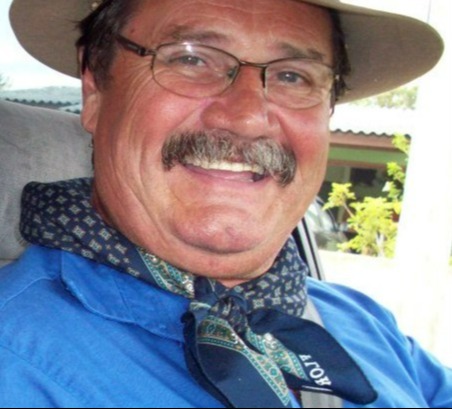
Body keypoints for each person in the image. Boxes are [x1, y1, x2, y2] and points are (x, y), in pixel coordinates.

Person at [1, 0, 450, 407]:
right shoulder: (16, 363)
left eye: (293, 75)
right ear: (95, 88)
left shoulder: (363, 325)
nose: (248, 117)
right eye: (191, 58)